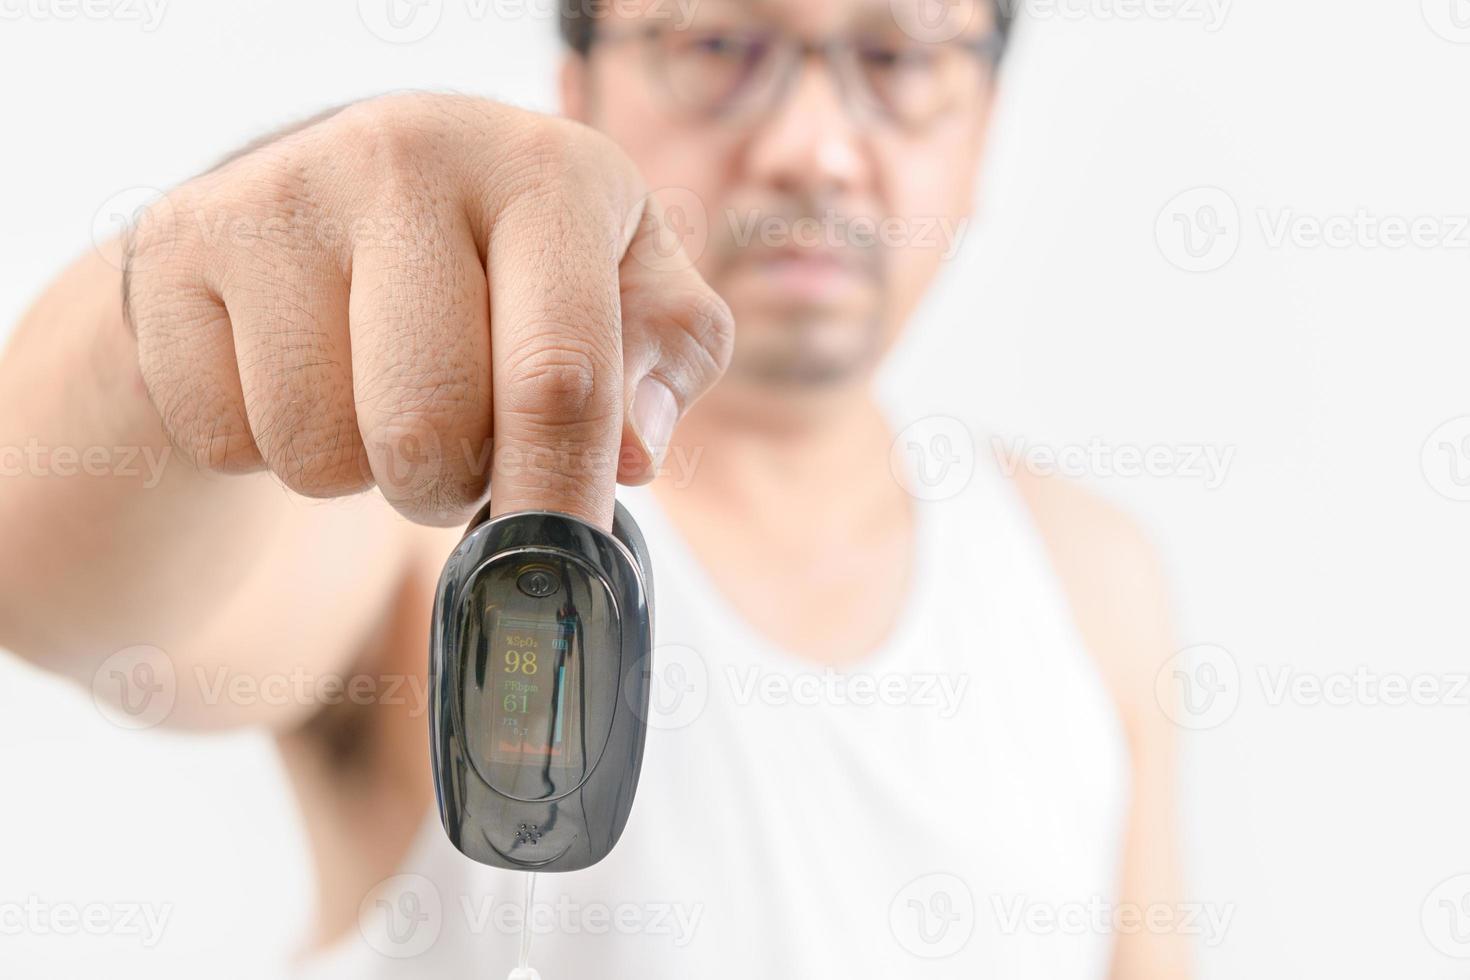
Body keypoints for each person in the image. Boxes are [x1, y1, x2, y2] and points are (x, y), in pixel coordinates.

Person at [0, 0, 1188, 976]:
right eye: (719, 46)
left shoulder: (1089, 575)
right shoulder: (407, 502)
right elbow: (47, 585)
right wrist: (174, 312)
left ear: (981, 126)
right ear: (581, 93)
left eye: (898, 56)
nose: (815, 143)